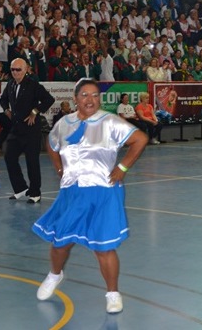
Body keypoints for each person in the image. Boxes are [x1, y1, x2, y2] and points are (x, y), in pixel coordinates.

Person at [32, 78, 148, 313]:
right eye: (85, 95)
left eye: (95, 95)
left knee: (103, 247)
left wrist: (122, 167)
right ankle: (55, 275)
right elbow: (51, 144)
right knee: (60, 243)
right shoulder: (64, 123)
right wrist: (59, 168)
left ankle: (113, 293)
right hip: (72, 192)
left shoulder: (110, 121)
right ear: (75, 99)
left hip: (103, 191)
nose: (90, 100)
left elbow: (140, 139)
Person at [0, 58, 56, 203]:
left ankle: (35, 193)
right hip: (16, 129)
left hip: (31, 130)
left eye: (18, 69)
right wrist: (6, 110)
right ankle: (20, 188)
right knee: (9, 156)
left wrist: (35, 111)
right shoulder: (10, 84)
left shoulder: (33, 85)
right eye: (12, 69)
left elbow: (49, 100)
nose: (15, 72)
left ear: (25, 70)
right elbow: (3, 99)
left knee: (32, 162)